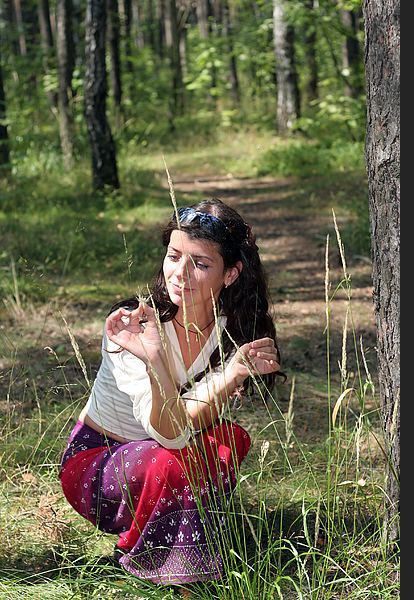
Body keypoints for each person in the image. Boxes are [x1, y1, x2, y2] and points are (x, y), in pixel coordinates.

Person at [59, 198, 282, 589]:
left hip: (161, 457)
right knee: (175, 457)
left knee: (230, 439)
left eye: (200, 263)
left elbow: (192, 423)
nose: (180, 274)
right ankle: (160, 564)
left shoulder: (230, 333)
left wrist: (231, 373)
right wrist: (157, 359)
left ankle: (173, 549)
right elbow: (170, 433)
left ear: (230, 274)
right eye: (174, 255)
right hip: (98, 465)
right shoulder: (133, 326)